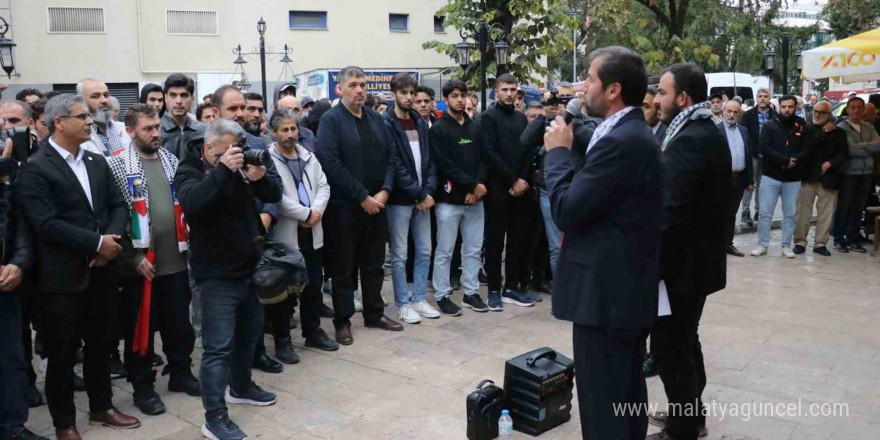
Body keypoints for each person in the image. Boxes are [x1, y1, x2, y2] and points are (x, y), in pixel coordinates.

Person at [543, 46, 660, 440]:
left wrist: (557, 154)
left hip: (607, 297)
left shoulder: (623, 140)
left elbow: (568, 210)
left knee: (603, 402)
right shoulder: (626, 132)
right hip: (619, 292)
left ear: (612, 90)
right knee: (623, 393)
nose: (583, 87)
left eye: (590, 79)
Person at [18, 94, 140, 440]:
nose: (90, 121)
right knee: (62, 354)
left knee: (101, 346)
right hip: (61, 279)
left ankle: (102, 407)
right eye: (82, 116)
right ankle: (64, 422)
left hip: (102, 271)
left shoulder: (95, 161)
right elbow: (46, 223)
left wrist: (109, 243)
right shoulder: (37, 167)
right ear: (59, 122)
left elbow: (119, 204)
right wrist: (96, 242)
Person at [176, 118, 281, 440]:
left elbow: (274, 192)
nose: (238, 154)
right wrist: (223, 170)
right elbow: (193, 204)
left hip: (248, 268)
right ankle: (214, 417)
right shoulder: (189, 169)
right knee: (217, 348)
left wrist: (258, 178)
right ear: (210, 148)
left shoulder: (238, 166)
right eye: (230, 149)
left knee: (248, 337)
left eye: (239, 148)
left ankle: (242, 386)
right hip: (215, 276)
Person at [649, 63, 730, 440]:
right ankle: (692, 416)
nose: (657, 99)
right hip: (695, 264)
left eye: (663, 93)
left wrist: (652, 266)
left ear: (682, 98)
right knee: (685, 340)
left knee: (670, 347)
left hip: (684, 268)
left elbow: (672, 211)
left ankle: (683, 429)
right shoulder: (700, 128)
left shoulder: (691, 137)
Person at [107, 104, 200, 417]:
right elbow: (114, 216)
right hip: (140, 267)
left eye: (158, 127)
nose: (156, 133)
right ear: (130, 131)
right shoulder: (117, 165)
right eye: (148, 129)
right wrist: (131, 258)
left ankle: (180, 373)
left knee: (179, 325)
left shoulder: (171, 160)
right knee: (140, 331)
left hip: (175, 261)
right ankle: (142, 386)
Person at [315, 66, 404, 346]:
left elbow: (392, 157)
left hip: (377, 205)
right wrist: (362, 196)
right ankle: (343, 320)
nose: (360, 90)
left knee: (374, 263)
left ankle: (374, 313)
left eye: (363, 85)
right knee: (344, 267)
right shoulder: (331, 120)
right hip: (345, 208)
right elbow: (330, 163)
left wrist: (386, 191)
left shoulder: (377, 119)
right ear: (340, 89)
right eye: (353, 85)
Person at [209, 85, 285, 373]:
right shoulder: (201, 144)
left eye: (243, 107)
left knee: (255, 303)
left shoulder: (256, 142)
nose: (241, 113)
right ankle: (224, 364)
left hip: (253, 237)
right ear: (216, 112)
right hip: (217, 244)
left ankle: (256, 353)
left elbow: (274, 186)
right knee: (221, 313)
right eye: (233, 109)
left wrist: (266, 216)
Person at [265, 109, 339, 352]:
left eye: (293, 129)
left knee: (313, 285)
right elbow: (276, 196)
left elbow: (323, 186)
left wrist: (316, 212)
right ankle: (283, 340)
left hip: (312, 230)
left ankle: (313, 331)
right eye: (284, 130)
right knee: (284, 291)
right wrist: (305, 214)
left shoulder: (308, 156)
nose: (290, 134)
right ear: (273, 133)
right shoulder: (268, 160)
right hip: (288, 234)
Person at [381, 73, 439, 324]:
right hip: (401, 199)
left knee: (425, 250)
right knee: (400, 254)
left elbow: (429, 160)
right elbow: (394, 162)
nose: (408, 97)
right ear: (394, 94)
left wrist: (427, 191)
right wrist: (418, 193)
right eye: (403, 92)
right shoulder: (387, 123)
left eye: (411, 92)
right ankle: (403, 303)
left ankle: (418, 299)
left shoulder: (419, 121)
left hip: (422, 197)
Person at [429, 80, 491, 315]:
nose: (460, 99)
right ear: (445, 100)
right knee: (445, 250)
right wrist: (472, 185)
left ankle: (470, 292)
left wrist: (477, 187)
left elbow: (484, 158)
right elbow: (444, 164)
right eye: (454, 95)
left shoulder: (474, 126)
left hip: (475, 199)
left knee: (474, 249)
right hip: (449, 201)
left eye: (463, 95)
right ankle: (443, 294)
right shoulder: (439, 129)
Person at [482, 73, 536, 310]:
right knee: (494, 242)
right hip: (497, 190)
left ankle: (511, 288)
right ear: (496, 92)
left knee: (517, 241)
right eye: (504, 89)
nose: (509, 93)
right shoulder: (487, 118)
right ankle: (494, 289)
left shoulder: (521, 119)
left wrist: (522, 179)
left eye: (513, 89)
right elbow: (489, 154)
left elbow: (529, 151)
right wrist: (513, 180)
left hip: (521, 190)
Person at [751, 95, 808, 258]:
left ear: (796, 107)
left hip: (793, 178)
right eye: (784, 107)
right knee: (765, 213)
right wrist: (783, 161)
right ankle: (762, 244)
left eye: (790, 107)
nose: (787, 110)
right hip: (771, 176)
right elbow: (764, 147)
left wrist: (793, 161)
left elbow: (807, 148)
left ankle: (786, 245)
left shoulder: (802, 125)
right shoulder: (770, 125)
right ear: (779, 107)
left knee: (790, 214)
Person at [793, 100, 847, 256]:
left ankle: (820, 243)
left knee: (826, 213)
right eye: (815, 111)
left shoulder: (840, 132)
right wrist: (824, 132)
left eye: (821, 112)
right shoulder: (807, 129)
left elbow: (843, 154)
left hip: (829, 178)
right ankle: (800, 241)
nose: (817, 114)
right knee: (803, 212)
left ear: (829, 114)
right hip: (808, 177)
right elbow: (807, 148)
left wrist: (830, 163)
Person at [834, 97, 880, 253]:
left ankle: (853, 238)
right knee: (844, 207)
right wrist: (868, 147)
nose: (856, 110)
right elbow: (850, 150)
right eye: (853, 107)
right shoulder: (841, 127)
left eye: (860, 107)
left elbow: (878, 145)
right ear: (847, 109)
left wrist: (862, 146)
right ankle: (839, 239)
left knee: (858, 207)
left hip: (866, 172)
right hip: (848, 173)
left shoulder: (868, 126)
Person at [718, 99, 754, 257]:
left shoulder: (743, 130)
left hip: (739, 179)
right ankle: (716, 245)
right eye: (729, 111)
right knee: (719, 212)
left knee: (732, 213)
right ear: (723, 111)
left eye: (735, 112)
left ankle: (728, 244)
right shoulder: (715, 130)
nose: (732, 115)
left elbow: (748, 155)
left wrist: (750, 180)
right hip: (721, 180)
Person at [739, 88, 775, 226]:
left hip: (767, 156)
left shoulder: (774, 115)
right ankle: (745, 212)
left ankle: (758, 211)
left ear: (769, 98)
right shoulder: (748, 115)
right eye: (760, 96)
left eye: (765, 96)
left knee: (762, 185)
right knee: (749, 183)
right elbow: (743, 134)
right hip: (752, 154)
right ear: (756, 98)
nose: (762, 99)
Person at [77, 78, 131, 156]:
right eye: (95, 96)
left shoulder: (127, 130)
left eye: (106, 95)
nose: (104, 100)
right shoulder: (77, 138)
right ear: (82, 101)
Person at [160, 73, 205, 160]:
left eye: (184, 95)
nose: (178, 101)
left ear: (192, 99)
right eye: (173, 95)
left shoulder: (204, 131)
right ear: (165, 98)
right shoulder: (155, 131)